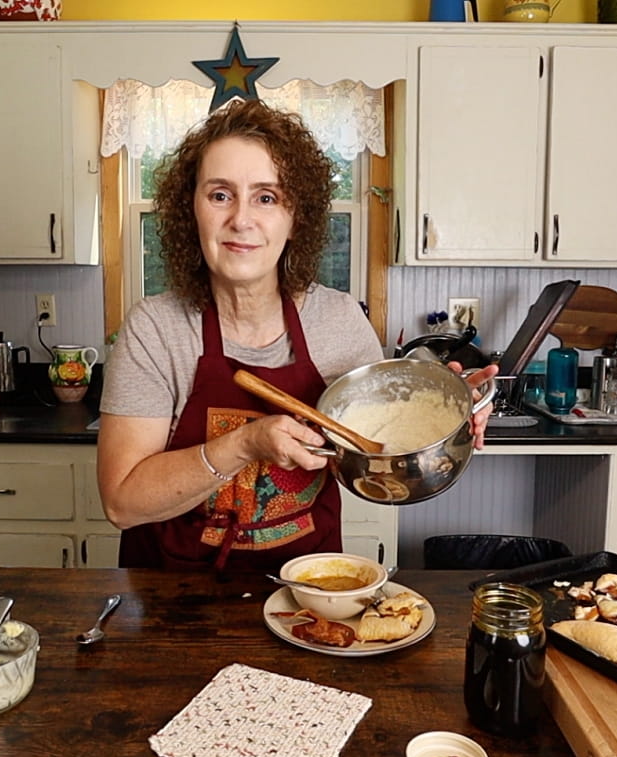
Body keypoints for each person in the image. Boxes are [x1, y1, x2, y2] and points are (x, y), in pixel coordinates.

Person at [97, 97, 497, 571]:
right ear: (192, 210)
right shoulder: (156, 330)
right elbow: (122, 503)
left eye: (266, 197)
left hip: (306, 597)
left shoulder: (340, 322)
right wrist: (244, 444)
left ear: (295, 218)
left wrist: (442, 421)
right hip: (170, 602)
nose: (241, 219)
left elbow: (374, 457)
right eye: (220, 194)